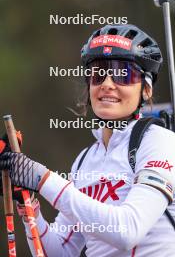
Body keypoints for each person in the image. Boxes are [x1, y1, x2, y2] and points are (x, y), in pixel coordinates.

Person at [0, 24, 175, 257]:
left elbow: (127, 231)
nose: (107, 83)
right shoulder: (85, 160)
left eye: (124, 73)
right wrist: (28, 201)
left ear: (146, 90)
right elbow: (58, 251)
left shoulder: (159, 141)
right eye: (99, 73)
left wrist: (42, 179)